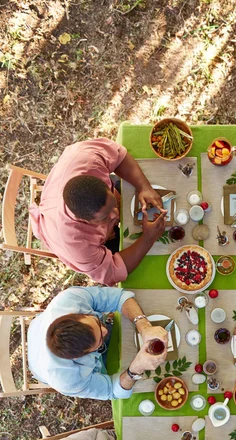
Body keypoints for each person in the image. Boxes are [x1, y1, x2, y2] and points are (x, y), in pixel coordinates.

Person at [29, 138, 167, 285]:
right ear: (86, 222)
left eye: (113, 204)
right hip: (65, 233)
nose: (117, 215)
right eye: (105, 217)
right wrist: (148, 238)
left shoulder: (86, 158)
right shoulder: (78, 246)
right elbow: (113, 271)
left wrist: (144, 187)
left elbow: (119, 156)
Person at [27, 286, 168, 400]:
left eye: (96, 321)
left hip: (37, 326)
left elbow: (119, 297)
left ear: (79, 314)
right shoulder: (68, 380)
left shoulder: (71, 299)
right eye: (100, 339)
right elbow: (111, 390)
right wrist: (135, 369)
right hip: (39, 366)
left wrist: (144, 327)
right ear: (79, 357)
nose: (105, 331)